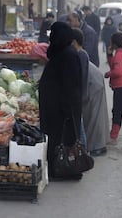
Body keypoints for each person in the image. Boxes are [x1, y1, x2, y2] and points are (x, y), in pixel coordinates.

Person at [39, 21, 83, 180]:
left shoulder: (69, 55)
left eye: (54, 33)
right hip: (54, 107)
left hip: (62, 109)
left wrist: (66, 110)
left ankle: (64, 170)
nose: (51, 36)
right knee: (55, 139)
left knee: (62, 139)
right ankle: (55, 168)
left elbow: (70, 86)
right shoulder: (60, 51)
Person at [72, 28, 110, 156]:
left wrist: (82, 96)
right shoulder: (78, 52)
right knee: (92, 115)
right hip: (93, 80)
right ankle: (97, 144)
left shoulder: (81, 54)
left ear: (74, 42)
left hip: (93, 83)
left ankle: (97, 147)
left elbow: (82, 77)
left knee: (94, 116)